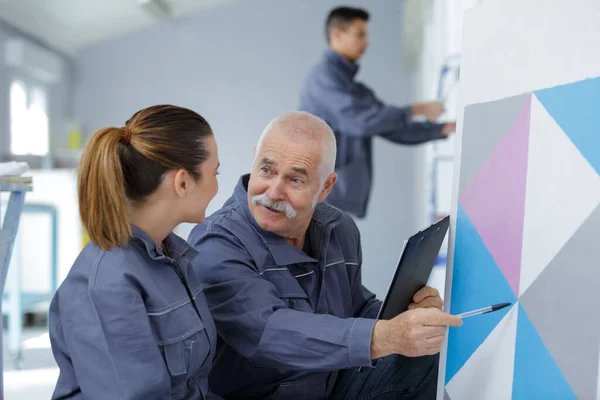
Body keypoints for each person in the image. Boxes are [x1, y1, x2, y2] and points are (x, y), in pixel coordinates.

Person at [188, 111, 462, 400]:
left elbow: (356, 306)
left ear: (326, 187)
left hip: (329, 386)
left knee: (425, 355)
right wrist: (384, 336)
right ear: (255, 160)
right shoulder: (215, 242)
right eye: (266, 170)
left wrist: (406, 316)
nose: (274, 191)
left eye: (295, 179)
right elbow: (268, 331)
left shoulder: (338, 228)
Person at [49, 105, 223, 399]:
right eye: (215, 172)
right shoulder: (108, 286)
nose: (218, 184)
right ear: (182, 182)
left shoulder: (170, 257)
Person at [299, 6, 457, 218]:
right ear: (337, 34)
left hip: (334, 201)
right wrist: (417, 109)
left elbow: (392, 128)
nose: (366, 42)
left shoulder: (354, 89)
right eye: (359, 35)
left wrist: (446, 128)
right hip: (320, 201)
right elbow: (364, 121)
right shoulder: (323, 80)